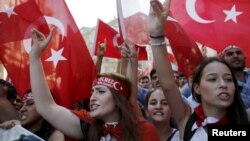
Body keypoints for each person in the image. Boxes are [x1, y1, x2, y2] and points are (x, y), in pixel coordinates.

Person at [27, 26, 160, 140]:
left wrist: (132, 61)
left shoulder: (143, 131)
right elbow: (46, 106)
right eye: (92, 92)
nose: (93, 97)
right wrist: (34, 57)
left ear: (118, 99)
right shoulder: (88, 125)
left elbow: (131, 93)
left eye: (101, 91)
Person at [148, 0, 249, 140]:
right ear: (196, 88)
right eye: (213, 79)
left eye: (228, 79)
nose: (223, 84)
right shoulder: (187, 121)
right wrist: (157, 34)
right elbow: (167, 84)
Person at [0, 90, 65, 141]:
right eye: (22, 104)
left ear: (45, 107)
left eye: (30, 103)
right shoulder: (13, 126)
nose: (22, 109)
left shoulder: (55, 135)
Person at [220, 45, 250, 109]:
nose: (235, 56)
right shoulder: (222, 85)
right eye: (230, 54)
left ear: (244, 57)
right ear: (223, 60)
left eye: (238, 53)